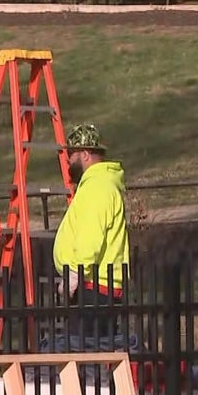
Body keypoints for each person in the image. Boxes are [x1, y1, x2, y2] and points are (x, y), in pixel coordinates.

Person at [52, 123, 130, 350]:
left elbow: (90, 237)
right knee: (94, 351)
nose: (68, 161)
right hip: (97, 284)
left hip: (94, 287)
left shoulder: (97, 187)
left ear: (85, 154)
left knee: (86, 353)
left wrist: (74, 274)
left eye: (71, 154)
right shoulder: (100, 184)